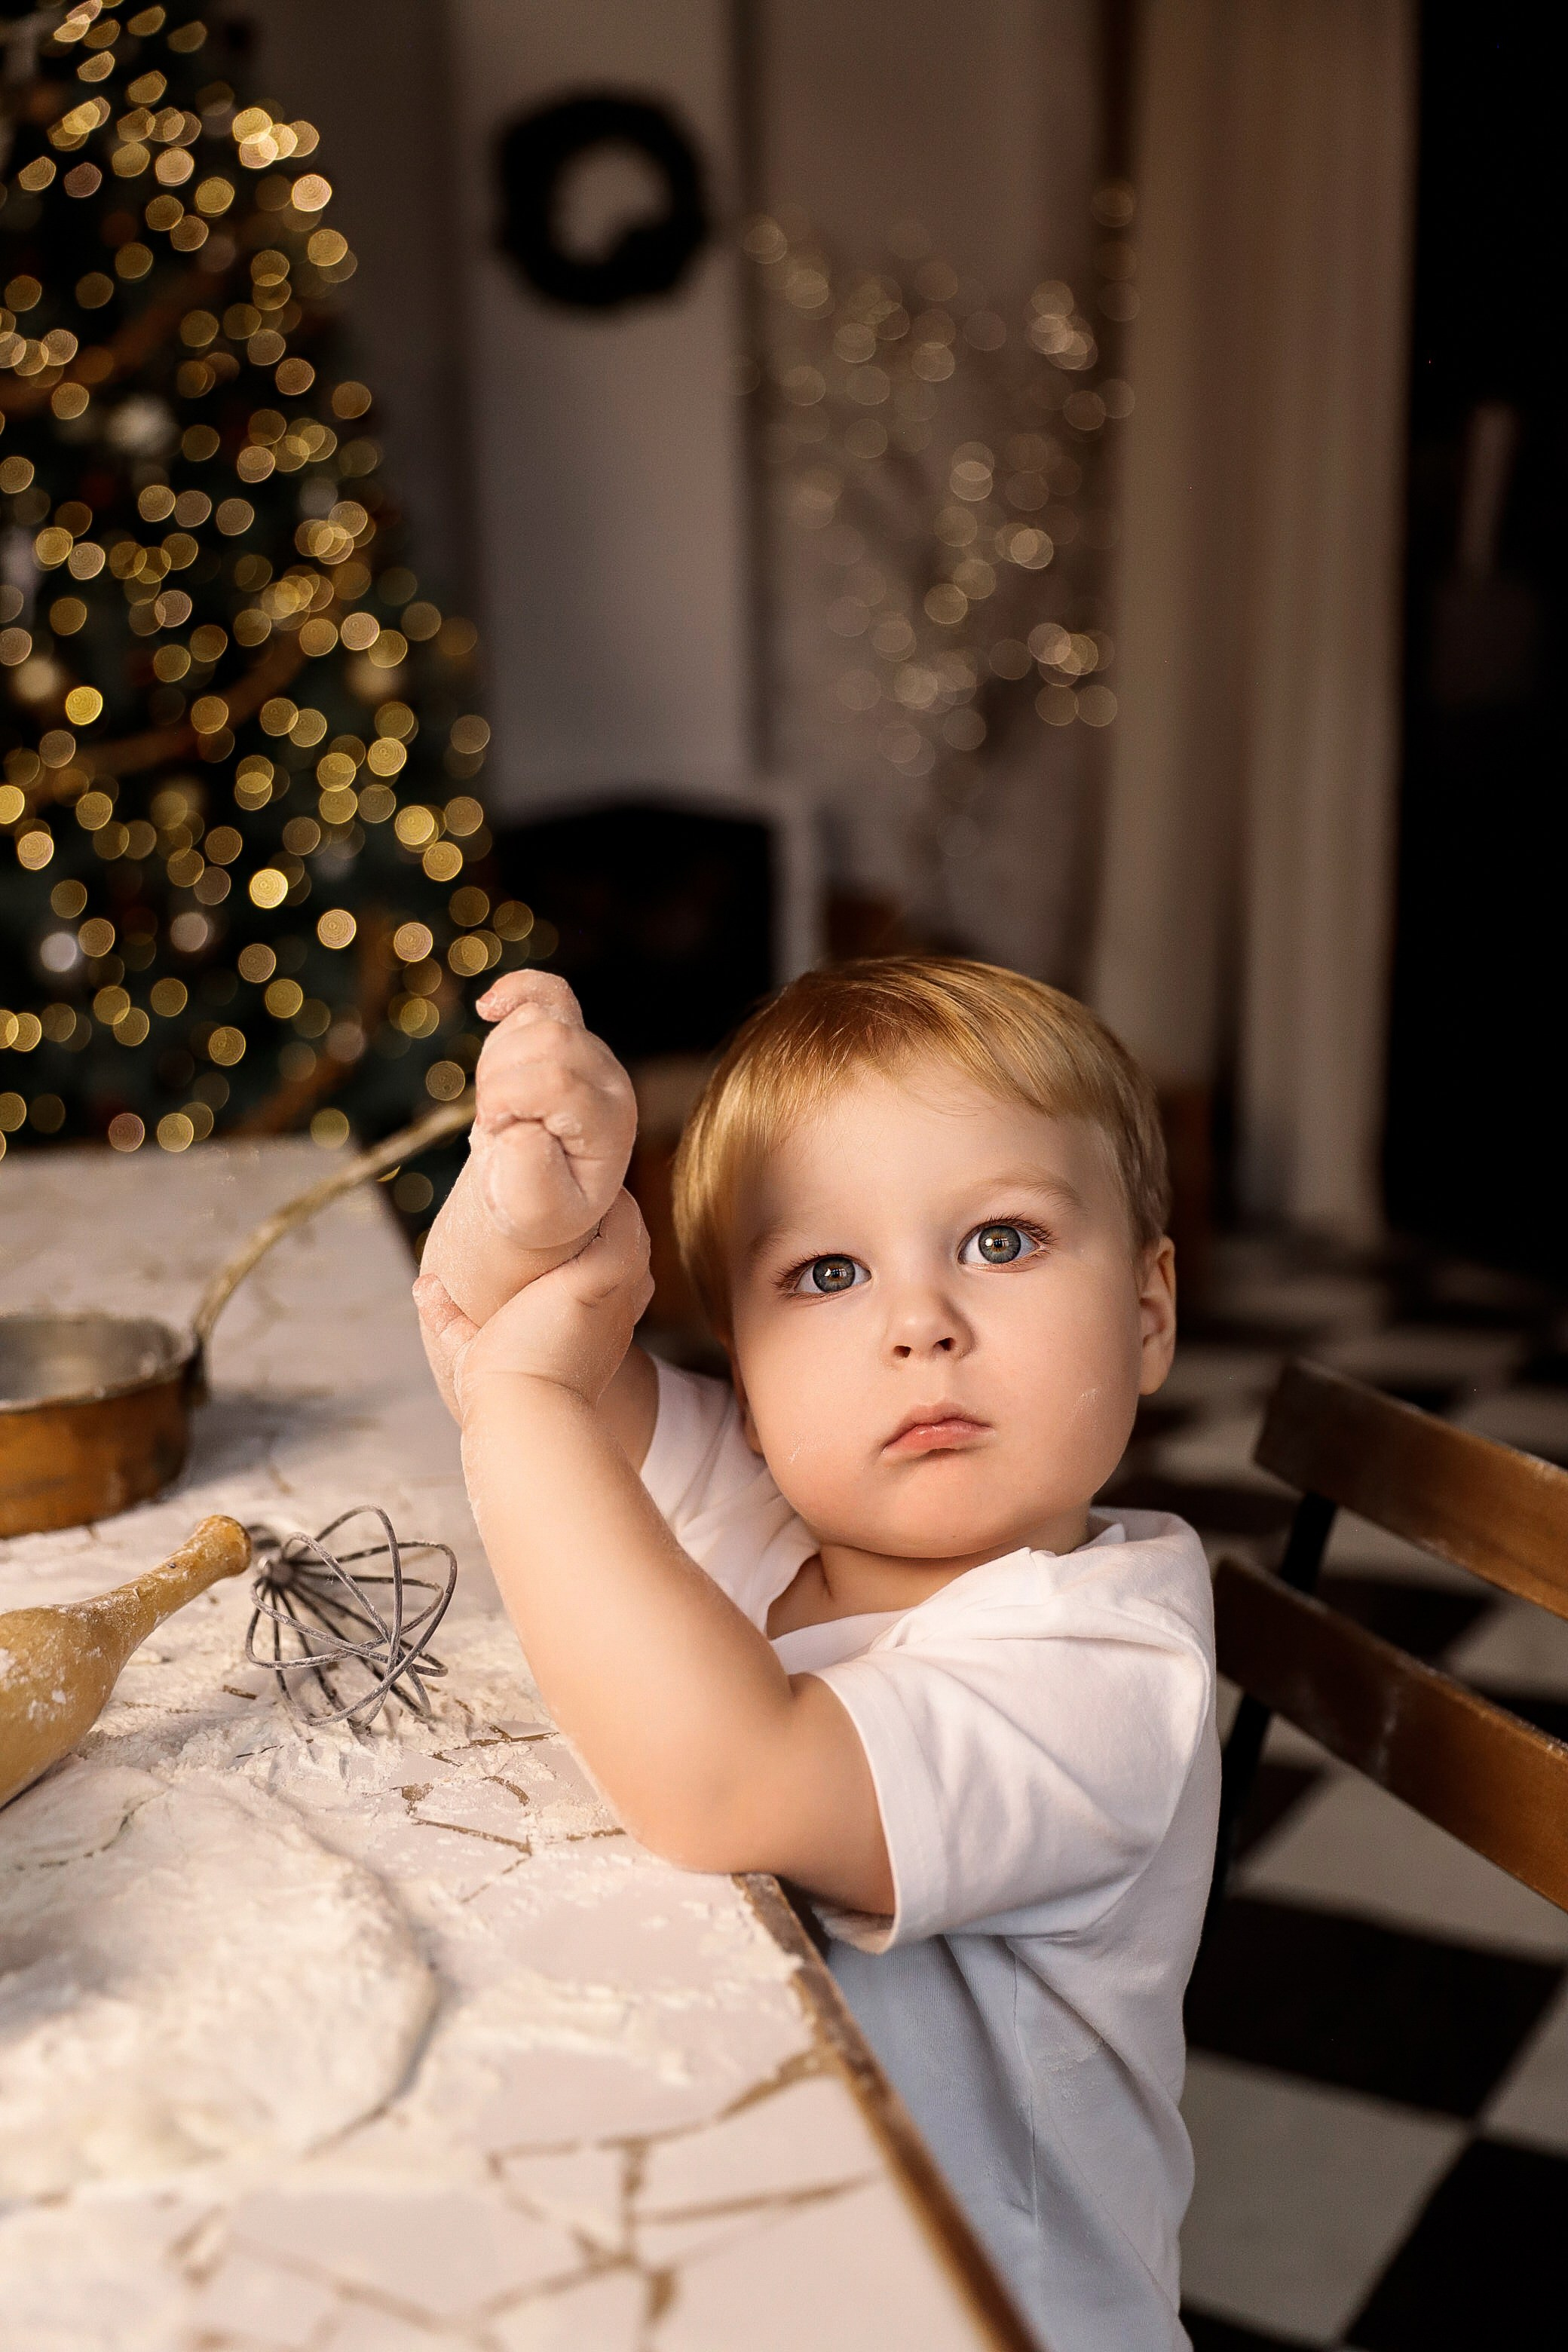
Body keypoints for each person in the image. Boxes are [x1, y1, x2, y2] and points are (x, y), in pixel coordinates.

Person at [415, 956, 1217, 2352]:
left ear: (1148, 1312)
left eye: (1002, 1241)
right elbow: (491, 1340)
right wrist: (537, 1201)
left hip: (983, 2316)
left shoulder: (1107, 1666)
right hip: (753, 2228)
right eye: (827, 1273)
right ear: (747, 1358)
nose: (920, 1325)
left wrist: (533, 1398)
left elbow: (732, 1781)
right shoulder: (774, 1493)